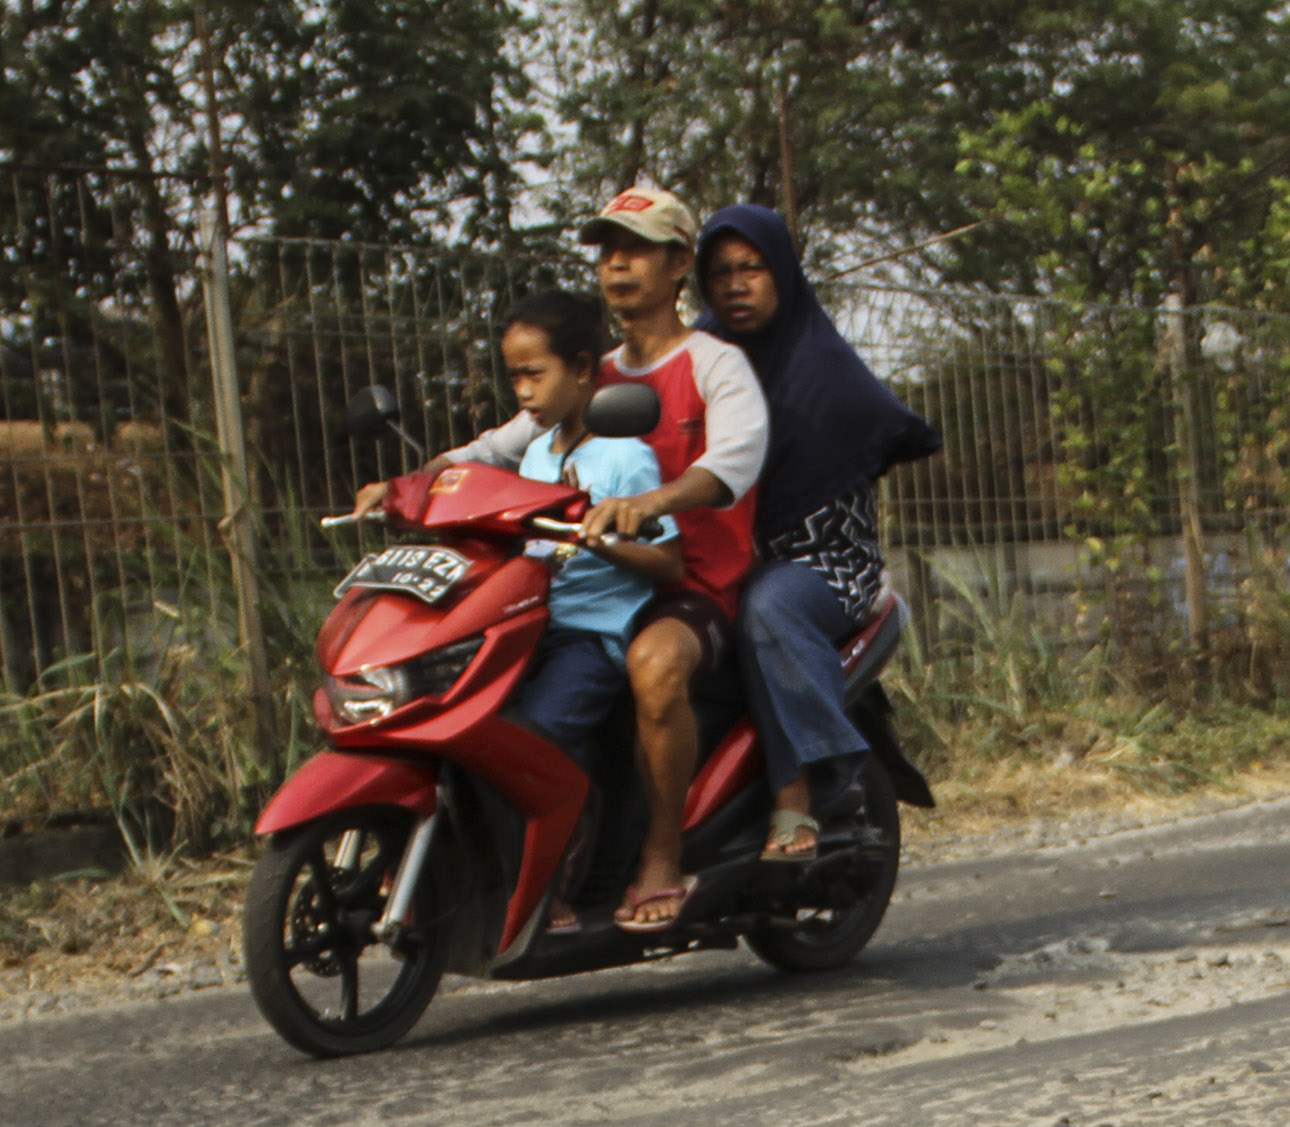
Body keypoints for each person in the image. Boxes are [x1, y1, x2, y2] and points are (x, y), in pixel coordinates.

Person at [360, 186, 761, 922]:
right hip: (581, 586)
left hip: (693, 580)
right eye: (607, 250)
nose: (617, 264)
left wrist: (647, 506)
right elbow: (498, 450)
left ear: (679, 263)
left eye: (635, 248)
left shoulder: (714, 364)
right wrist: (409, 487)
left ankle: (660, 857)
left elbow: (734, 462)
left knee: (654, 666)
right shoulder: (585, 377)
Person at [684, 202, 942, 905]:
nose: (735, 285)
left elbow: (864, 448)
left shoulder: (822, 370)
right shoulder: (698, 359)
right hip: (717, 559)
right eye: (720, 272)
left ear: (783, 274)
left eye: (752, 268)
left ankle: (808, 783)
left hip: (823, 565)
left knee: (767, 609)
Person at [477, 290, 685, 931]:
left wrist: (609, 540)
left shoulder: (626, 455)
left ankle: (558, 885)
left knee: (534, 740)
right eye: (514, 375)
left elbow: (670, 563)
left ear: (586, 369)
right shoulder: (537, 453)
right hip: (530, 625)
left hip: (592, 636)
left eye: (535, 374)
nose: (524, 392)